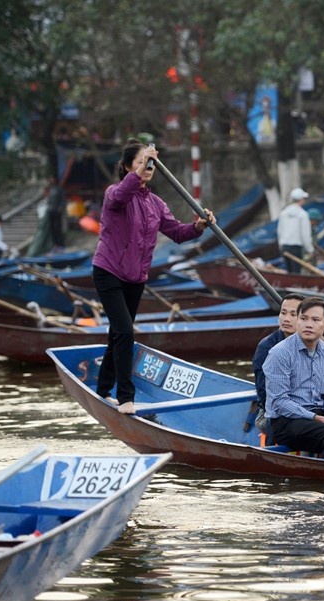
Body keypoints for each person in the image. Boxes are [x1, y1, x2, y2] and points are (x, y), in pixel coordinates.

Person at [93, 139, 215, 414]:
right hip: (109, 270)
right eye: (140, 164)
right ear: (127, 167)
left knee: (117, 334)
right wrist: (138, 171)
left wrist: (198, 226)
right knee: (125, 332)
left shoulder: (156, 203)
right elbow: (122, 194)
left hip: (136, 277)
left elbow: (176, 233)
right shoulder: (115, 194)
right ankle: (126, 398)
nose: (147, 168)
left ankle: (103, 388)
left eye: (150, 165)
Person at [263, 297, 324, 460]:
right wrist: (319, 419)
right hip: (287, 421)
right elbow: (279, 402)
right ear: (297, 321)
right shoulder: (280, 353)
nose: (309, 324)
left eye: (315, 320)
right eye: (303, 318)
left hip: (316, 416)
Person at [253, 293, 306, 433]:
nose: (286, 319)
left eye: (293, 314)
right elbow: (266, 396)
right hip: (271, 414)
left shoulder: (313, 345)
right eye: (283, 313)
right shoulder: (267, 347)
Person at [278, 187, 313, 274]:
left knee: (289, 272)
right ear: (301, 199)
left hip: (285, 246)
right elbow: (305, 234)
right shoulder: (303, 214)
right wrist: (310, 249)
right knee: (296, 272)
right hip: (296, 247)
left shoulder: (283, 213)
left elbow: (280, 231)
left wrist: (281, 245)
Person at [46, 176, 66, 250]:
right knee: (52, 228)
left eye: (53, 179)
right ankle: (55, 244)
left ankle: (61, 244)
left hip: (57, 210)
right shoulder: (50, 189)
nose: (51, 181)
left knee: (58, 227)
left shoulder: (59, 189)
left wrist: (61, 206)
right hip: (51, 211)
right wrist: (48, 206)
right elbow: (48, 199)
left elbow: (63, 199)